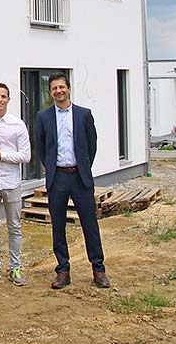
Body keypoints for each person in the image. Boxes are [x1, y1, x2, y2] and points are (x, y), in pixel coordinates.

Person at [33, 73, 110, 290]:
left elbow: (91, 145)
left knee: (90, 224)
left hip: (79, 177)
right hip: (57, 177)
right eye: (54, 88)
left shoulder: (84, 115)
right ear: (50, 92)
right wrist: (52, 169)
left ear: (69, 89)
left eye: (61, 87)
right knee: (58, 225)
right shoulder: (43, 117)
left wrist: (83, 167)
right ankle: (63, 271)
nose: (58, 91)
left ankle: (98, 269)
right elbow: (41, 146)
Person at [0, 83, 31, 286]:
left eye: (3, 96)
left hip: (11, 183)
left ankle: (15, 267)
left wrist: (2, 156)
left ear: (9, 100)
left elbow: (26, 155)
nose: (0, 99)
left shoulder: (18, 125)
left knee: (14, 227)